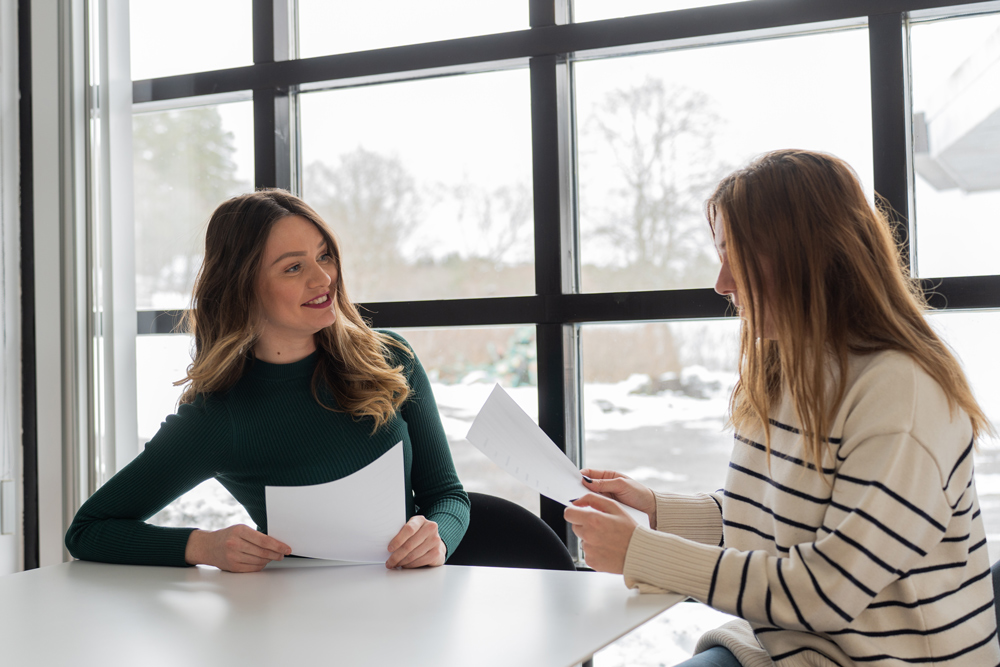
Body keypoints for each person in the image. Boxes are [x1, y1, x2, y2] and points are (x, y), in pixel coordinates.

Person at [564, 150, 999, 666]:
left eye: (737, 257)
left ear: (805, 256)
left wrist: (643, 552)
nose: (723, 284)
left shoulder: (902, 393)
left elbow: (829, 590)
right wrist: (656, 509)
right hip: (796, 650)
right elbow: (771, 520)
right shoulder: (790, 368)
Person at [66, 189, 469, 572]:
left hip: (409, 610)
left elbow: (446, 496)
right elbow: (89, 530)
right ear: (244, 287)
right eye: (294, 267)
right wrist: (203, 546)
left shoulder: (389, 358)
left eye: (324, 256)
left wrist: (439, 538)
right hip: (291, 626)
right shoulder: (218, 417)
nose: (323, 279)